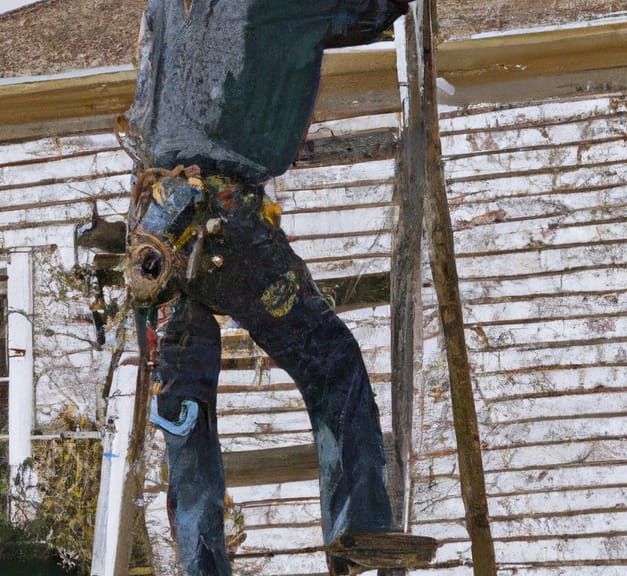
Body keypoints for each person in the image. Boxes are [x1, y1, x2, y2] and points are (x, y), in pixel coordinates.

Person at [123, 1, 412, 574]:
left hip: (152, 227)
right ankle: (359, 533)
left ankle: (202, 568)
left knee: (186, 411)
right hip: (220, 217)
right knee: (333, 363)